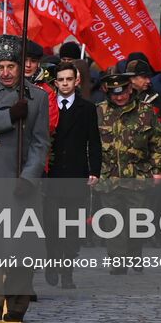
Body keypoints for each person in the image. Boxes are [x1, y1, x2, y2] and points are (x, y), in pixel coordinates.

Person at [0, 35, 51, 322]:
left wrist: (29, 177)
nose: (5, 72)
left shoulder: (38, 97)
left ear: (21, 66)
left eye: (11, 66)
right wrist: (9, 115)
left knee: (21, 241)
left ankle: (18, 302)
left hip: (21, 177)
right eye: (1, 67)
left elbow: (40, 142)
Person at [94, 71, 161, 275]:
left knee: (137, 222)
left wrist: (157, 169)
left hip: (138, 175)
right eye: (114, 93)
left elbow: (158, 143)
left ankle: (134, 252)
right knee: (113, 221)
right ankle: (118, 261)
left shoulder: (145, 111)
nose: (119, 97)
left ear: (130, 89)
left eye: (123, 92)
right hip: (109, 175)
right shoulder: (99, 111)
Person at [44, 62, 100, 287]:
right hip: (52, 174)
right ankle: (52, 262)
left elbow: (94, 141)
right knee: (51, 224)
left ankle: (67, 272)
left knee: (72, 227)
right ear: (55, 82)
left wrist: (95, 170)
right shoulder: (47, 106)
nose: (65, 83)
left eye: (69, 79)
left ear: (76, 81)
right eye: (61, 80)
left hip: (76, 173)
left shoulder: (87, 108)